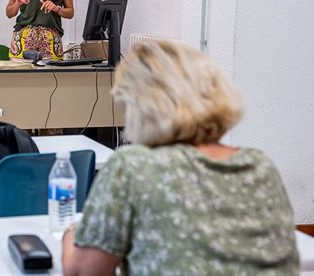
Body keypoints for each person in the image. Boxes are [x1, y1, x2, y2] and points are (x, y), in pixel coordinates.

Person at [62, 40, 300, 275]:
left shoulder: (133, 166)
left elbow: (83, 271)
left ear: (141, 105)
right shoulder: (259, 166)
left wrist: (72, 234)